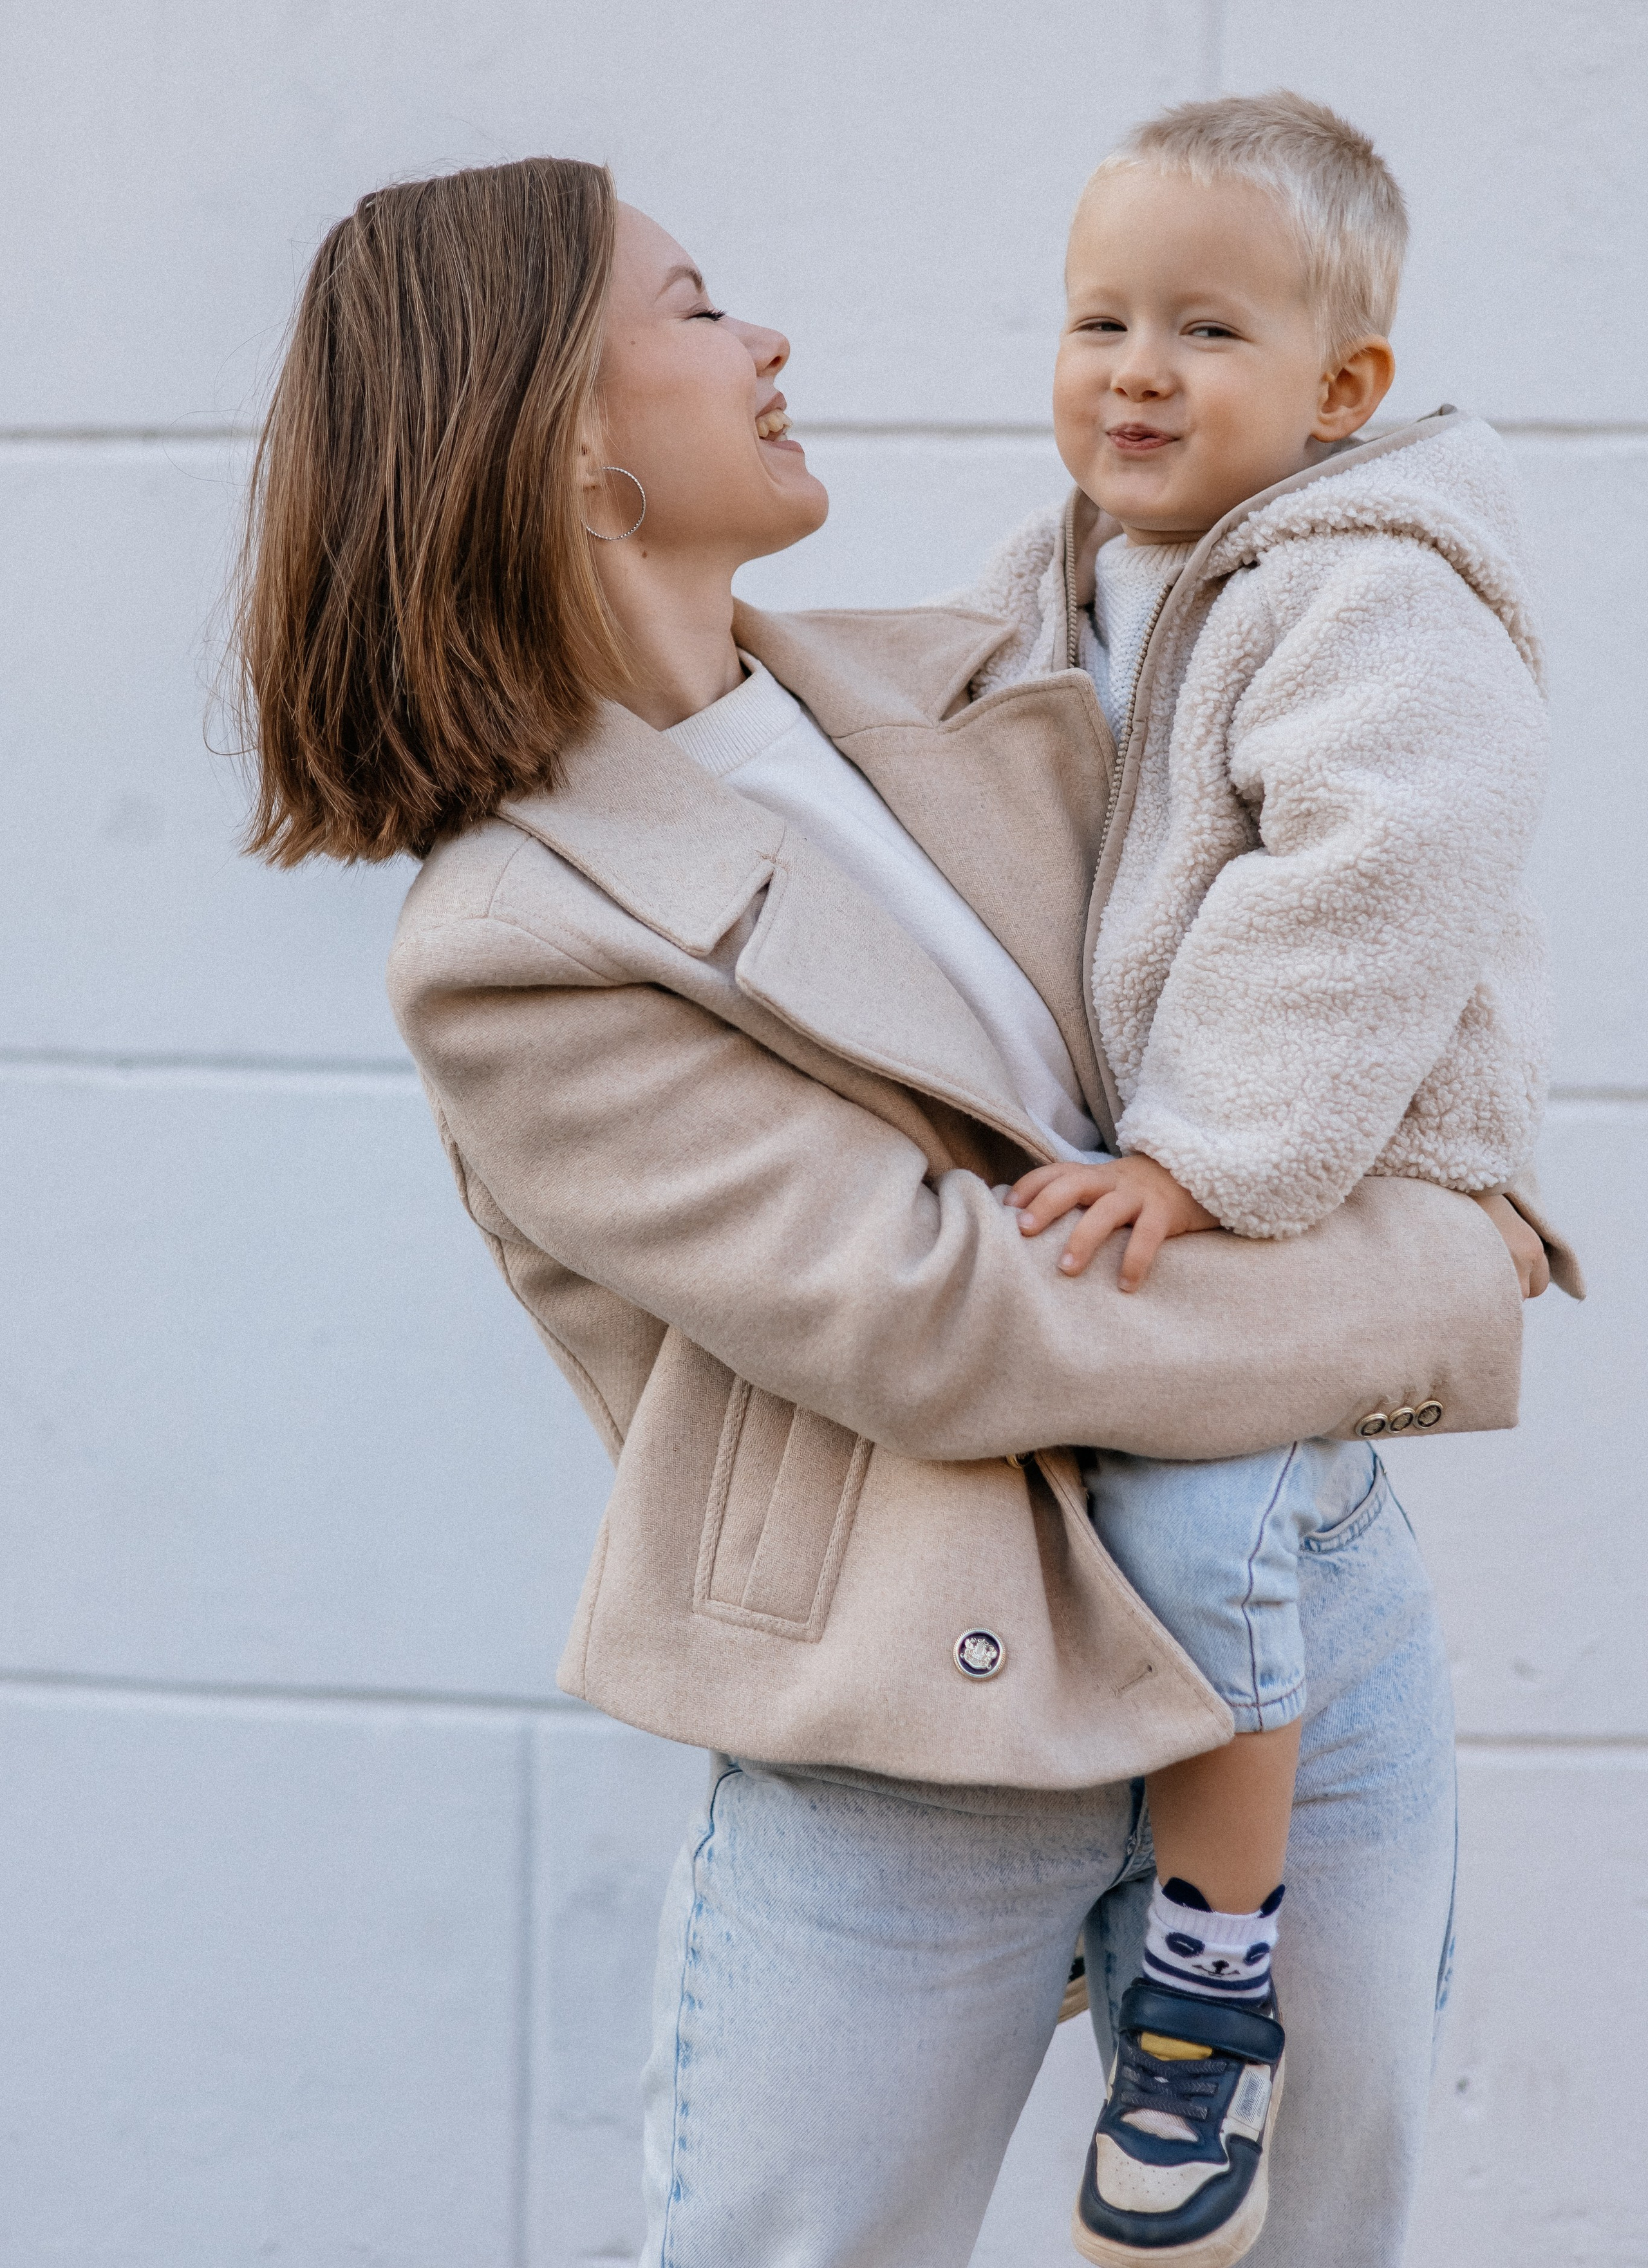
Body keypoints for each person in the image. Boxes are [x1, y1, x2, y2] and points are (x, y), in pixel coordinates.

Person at [228, 153, 1551, 2268]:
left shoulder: (981, 668)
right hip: (923, 1711)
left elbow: (1330, 880)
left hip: (1305, 1625)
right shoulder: (513, 939)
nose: (766, 343)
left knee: (1315, 2236)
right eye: (696, 304)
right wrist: (1447, 1274)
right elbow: (952, 1323)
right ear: (571, 432)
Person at [948, 91, 1581, 2265]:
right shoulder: (1076, 571)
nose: (1132, 366)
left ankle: (1210, 1963)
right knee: (1091, 1505)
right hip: (1198, 1170)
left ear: (1342, 394)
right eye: (1097, 314)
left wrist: (1211, 1159)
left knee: (1214, 1512)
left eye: (1202, 330)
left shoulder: (1376, 589)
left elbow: (1375, 880)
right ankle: (1119, 1879)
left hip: (1351, 1158)